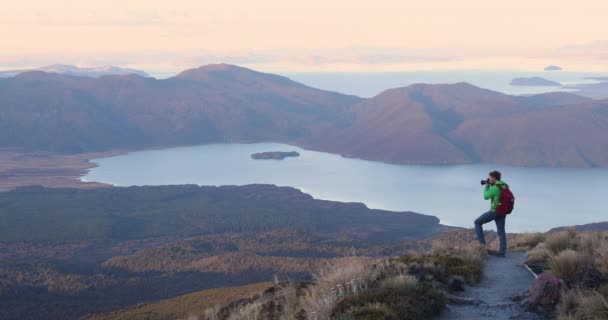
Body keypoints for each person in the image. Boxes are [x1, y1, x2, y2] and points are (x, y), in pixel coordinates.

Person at [475, 170, 507, 257]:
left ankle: (482, 247)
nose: (488, 179)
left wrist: (486, 186)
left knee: (477, 222)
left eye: (490, 178)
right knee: (501, 231)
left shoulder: (495, 188)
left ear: (494, 178)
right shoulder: (504, 185)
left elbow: (486, 196)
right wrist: (491, 185)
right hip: (503, 211)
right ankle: (502, 252)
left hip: (495, 211)